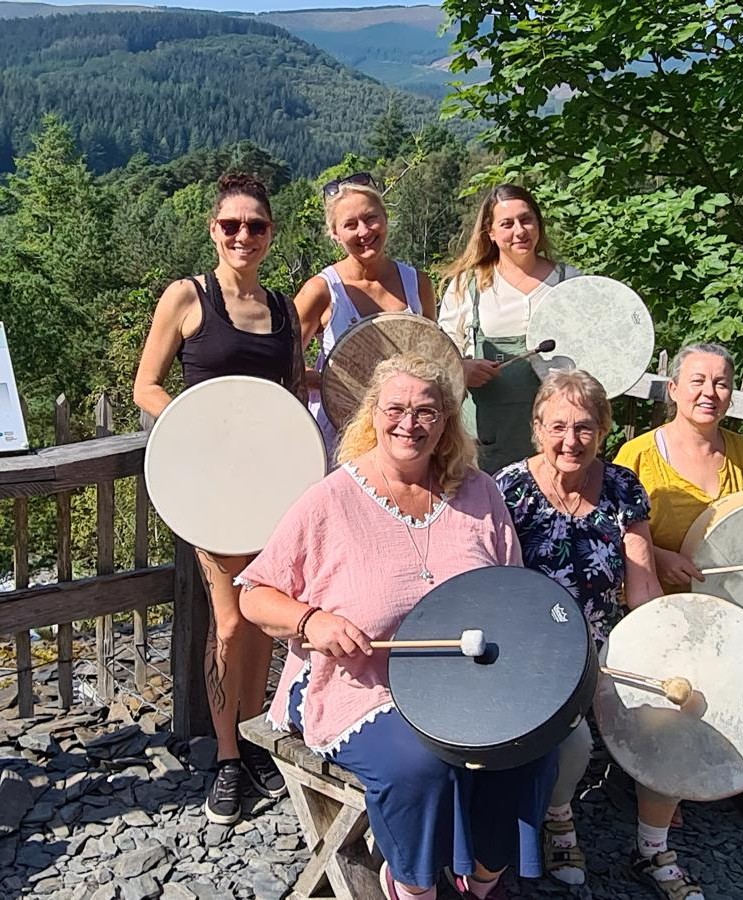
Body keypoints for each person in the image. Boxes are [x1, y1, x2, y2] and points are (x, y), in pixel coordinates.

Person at [237, 353, 557, 900]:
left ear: (447, 422)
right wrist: (311, 619)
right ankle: (411, 884)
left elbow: (512, 592)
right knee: (421, 763)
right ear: (373, 415)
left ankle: (480, 877)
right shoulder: (331, 500)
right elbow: (254, 594)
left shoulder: (479, 493)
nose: (410, 422)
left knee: (531, 749)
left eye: (426, 411)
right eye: (397, 408)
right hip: (361, 686)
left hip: (469, 685)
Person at [133, 173, 304, 825]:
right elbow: (145, 385)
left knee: (266, 618)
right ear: (213, 230)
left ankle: (256, 735)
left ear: (270, 234)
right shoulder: (187, 296)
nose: (242, 236)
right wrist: (198, 430)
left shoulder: (284, 311)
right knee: (230, 621)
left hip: (274, 487)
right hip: (211, 489)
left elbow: (289, 396)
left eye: (255, 226)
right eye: (230, 225)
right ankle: (229, 756)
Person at [496, 370, 704, 900]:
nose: (571, 441)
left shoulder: (621, 487)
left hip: (607, 639)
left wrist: (661, 651)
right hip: (535, 649)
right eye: (558, 426)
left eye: (585, 428)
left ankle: (652, 846)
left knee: (673, 711)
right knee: (576, 740)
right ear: (537, 427)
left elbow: (642, 581)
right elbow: (495, 587)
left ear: (604, 431)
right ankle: (560, 820)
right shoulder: (509, 490)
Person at [614, 341, 743, 841]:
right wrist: (660, 557)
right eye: (698, 381)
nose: (710, 392)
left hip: (729, 609)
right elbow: (608, 530)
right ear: (674, 389)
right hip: (659, 605)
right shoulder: (637, 454)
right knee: (673, 691)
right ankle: (655, 777)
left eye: (721, 382)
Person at [294, 173, 437, 461]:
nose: (364, 231)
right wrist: (324, 381)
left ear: (385, 218)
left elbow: (432, 355)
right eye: (350, 225)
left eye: (371, 218)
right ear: (334, 232)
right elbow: (281, 359)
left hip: (407, 433)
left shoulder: (417, 284)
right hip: (340, 434)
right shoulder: (322, 290)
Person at [439, 184, 579, 474]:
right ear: (490, 232)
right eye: (507, 223)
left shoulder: (570, 282)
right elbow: (439, 352)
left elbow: (595, 350)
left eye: (526, 219)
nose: (520, 231)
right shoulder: (468, 285)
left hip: (558, 436)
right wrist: (461, 368)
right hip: (485, 437)